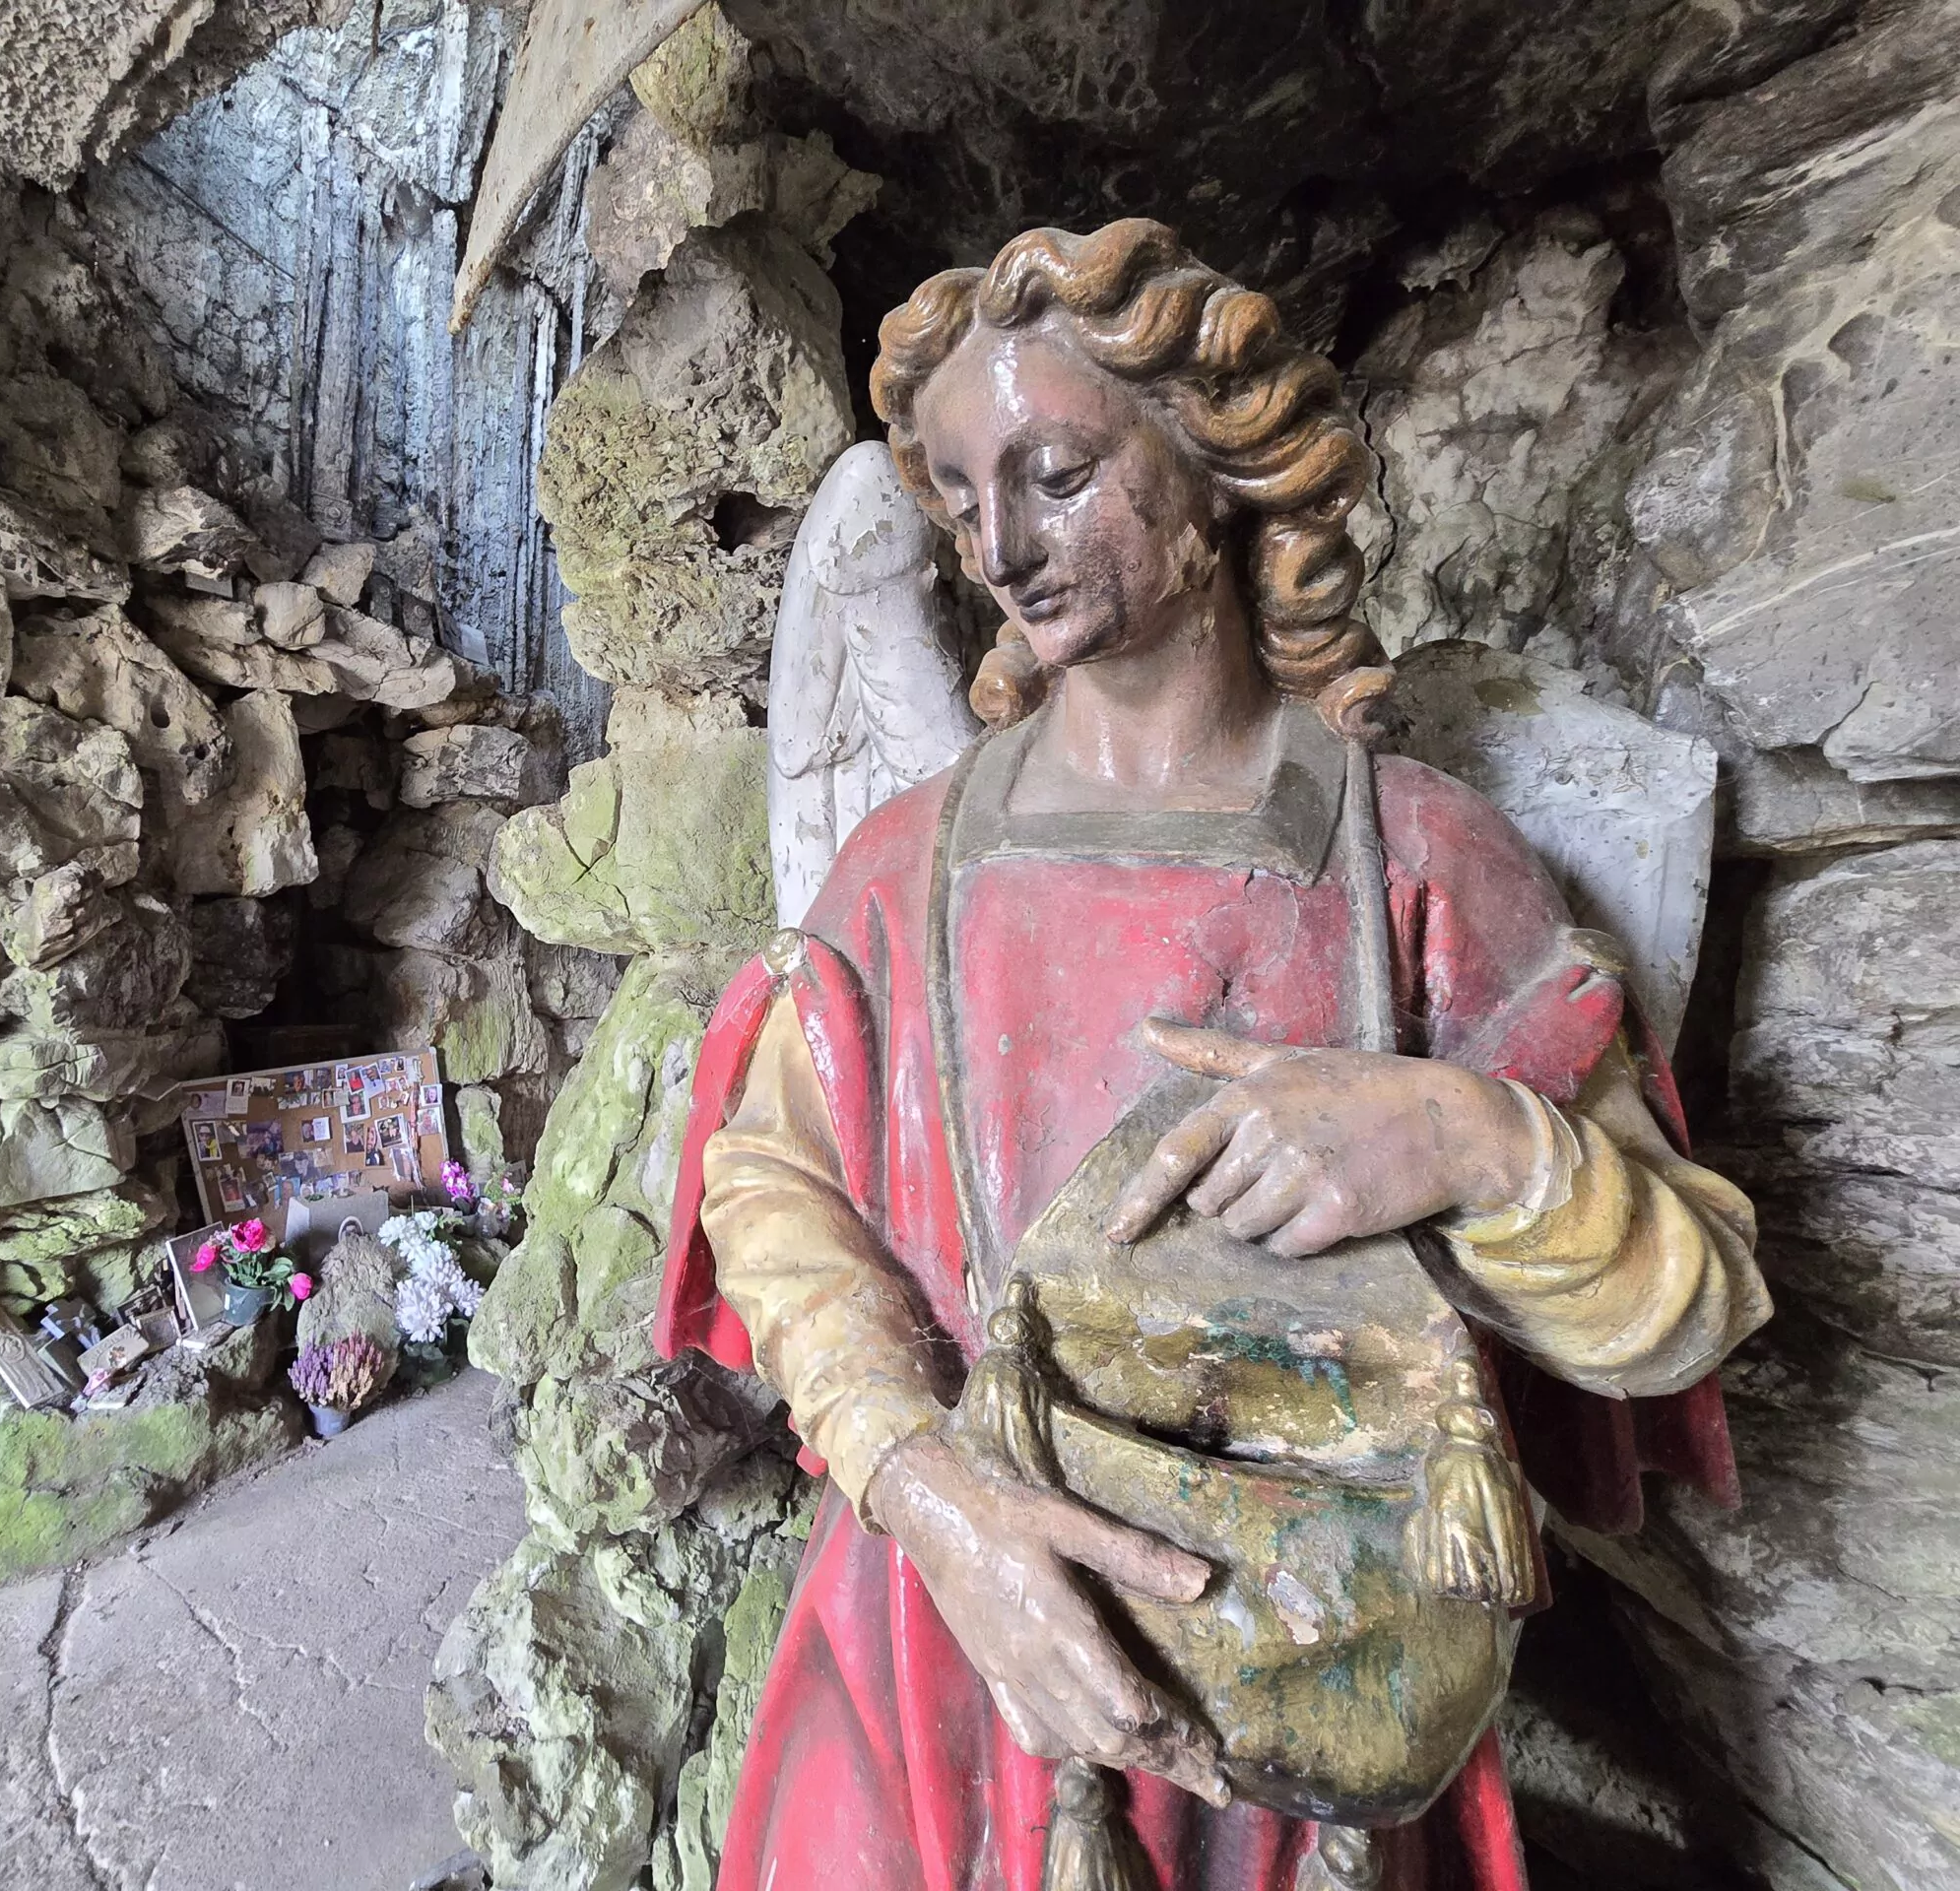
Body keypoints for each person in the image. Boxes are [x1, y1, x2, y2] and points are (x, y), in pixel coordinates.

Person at [658, 220, 1770, 1891]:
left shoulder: (1418, 854)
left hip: (1303, 1655)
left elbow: (1690, 1299)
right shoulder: (902, 872)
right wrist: (935, 1498)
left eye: (1055, 474)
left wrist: (1475, 1144)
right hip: (957, 1642)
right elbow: (772, 1192)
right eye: (964, 500)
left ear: (1216, 467)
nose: (1003, 547)